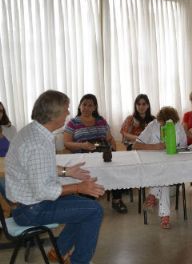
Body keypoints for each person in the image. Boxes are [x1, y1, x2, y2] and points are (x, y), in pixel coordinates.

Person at [5, 90, 104, 264]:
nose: (68, 112)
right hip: (31, 210)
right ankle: (78, 261)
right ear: (53, 115)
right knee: (94, 211)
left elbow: (37, 168)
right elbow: (43, 190)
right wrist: (78, 187)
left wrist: (66, 171)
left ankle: (58, 251)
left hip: (29, 203)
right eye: (65, 109)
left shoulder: (34, 131)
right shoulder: (38, 143)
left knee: (85, 206)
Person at [64, 94, 127, 214]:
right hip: (84, 156)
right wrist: (82, 145)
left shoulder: (100, 120)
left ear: (94, 107)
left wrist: (114, 150)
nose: (86, 108)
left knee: (115, 169)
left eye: (90, 105)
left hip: (103, 153)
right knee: (89, 172)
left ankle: (117, 200)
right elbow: (67, 143)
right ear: (80, 106)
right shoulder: (73, 123)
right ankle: (89, 201)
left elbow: (109, 138)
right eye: (84, 105)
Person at [133, 106, 187, 229]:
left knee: (164, 176)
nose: (167, 125)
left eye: (171, 123)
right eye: (163, 123)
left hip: (173, 165)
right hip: (153, 165)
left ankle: (152, 196)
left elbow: (184, 147)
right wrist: (155, 147)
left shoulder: (178, 126)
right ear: (159, 120)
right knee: (164, 179)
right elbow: (136, 145)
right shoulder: (152, 126)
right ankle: (165, 216)